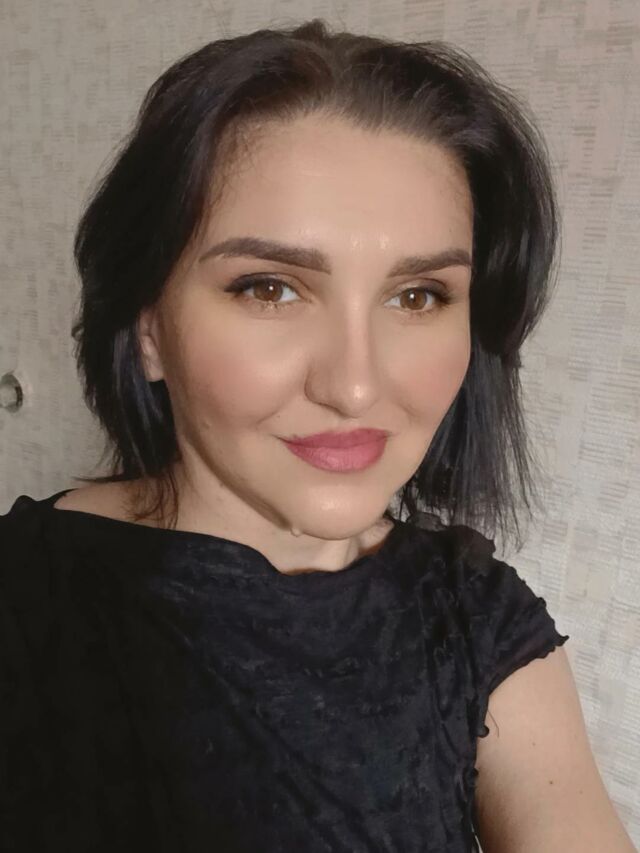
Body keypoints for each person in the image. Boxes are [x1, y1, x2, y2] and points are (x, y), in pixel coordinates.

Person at [0, 17, 635, 853]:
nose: (356, 385)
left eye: (417, 296)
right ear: (149, 327)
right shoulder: (26, 600)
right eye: (270, 288)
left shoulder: (476, 622)